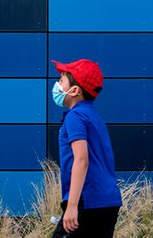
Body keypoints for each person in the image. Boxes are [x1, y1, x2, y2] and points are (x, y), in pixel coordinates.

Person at [51, 58, 122, 237]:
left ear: (74, 90)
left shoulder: (75, 117)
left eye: (61, 80)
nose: (56, 84)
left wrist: (72, 206)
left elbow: (81, 160)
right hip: (107, 201)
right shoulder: (93, 117)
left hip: (87, 202)